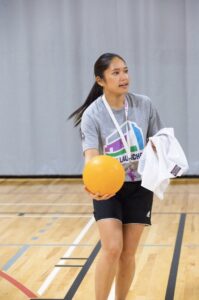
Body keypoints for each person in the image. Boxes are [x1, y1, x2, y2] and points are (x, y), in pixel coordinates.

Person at [69, 53, 164, 300]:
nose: (124, 77)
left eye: (125, 70)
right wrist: (90, 181)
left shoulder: (144, 104)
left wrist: (159, 151)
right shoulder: (93, 114)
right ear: (100, 80)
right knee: (112, 248)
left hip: (141, 185)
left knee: (128, 253)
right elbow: (90, 155)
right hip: (108, 187)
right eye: (116, 72)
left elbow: (160, 140)